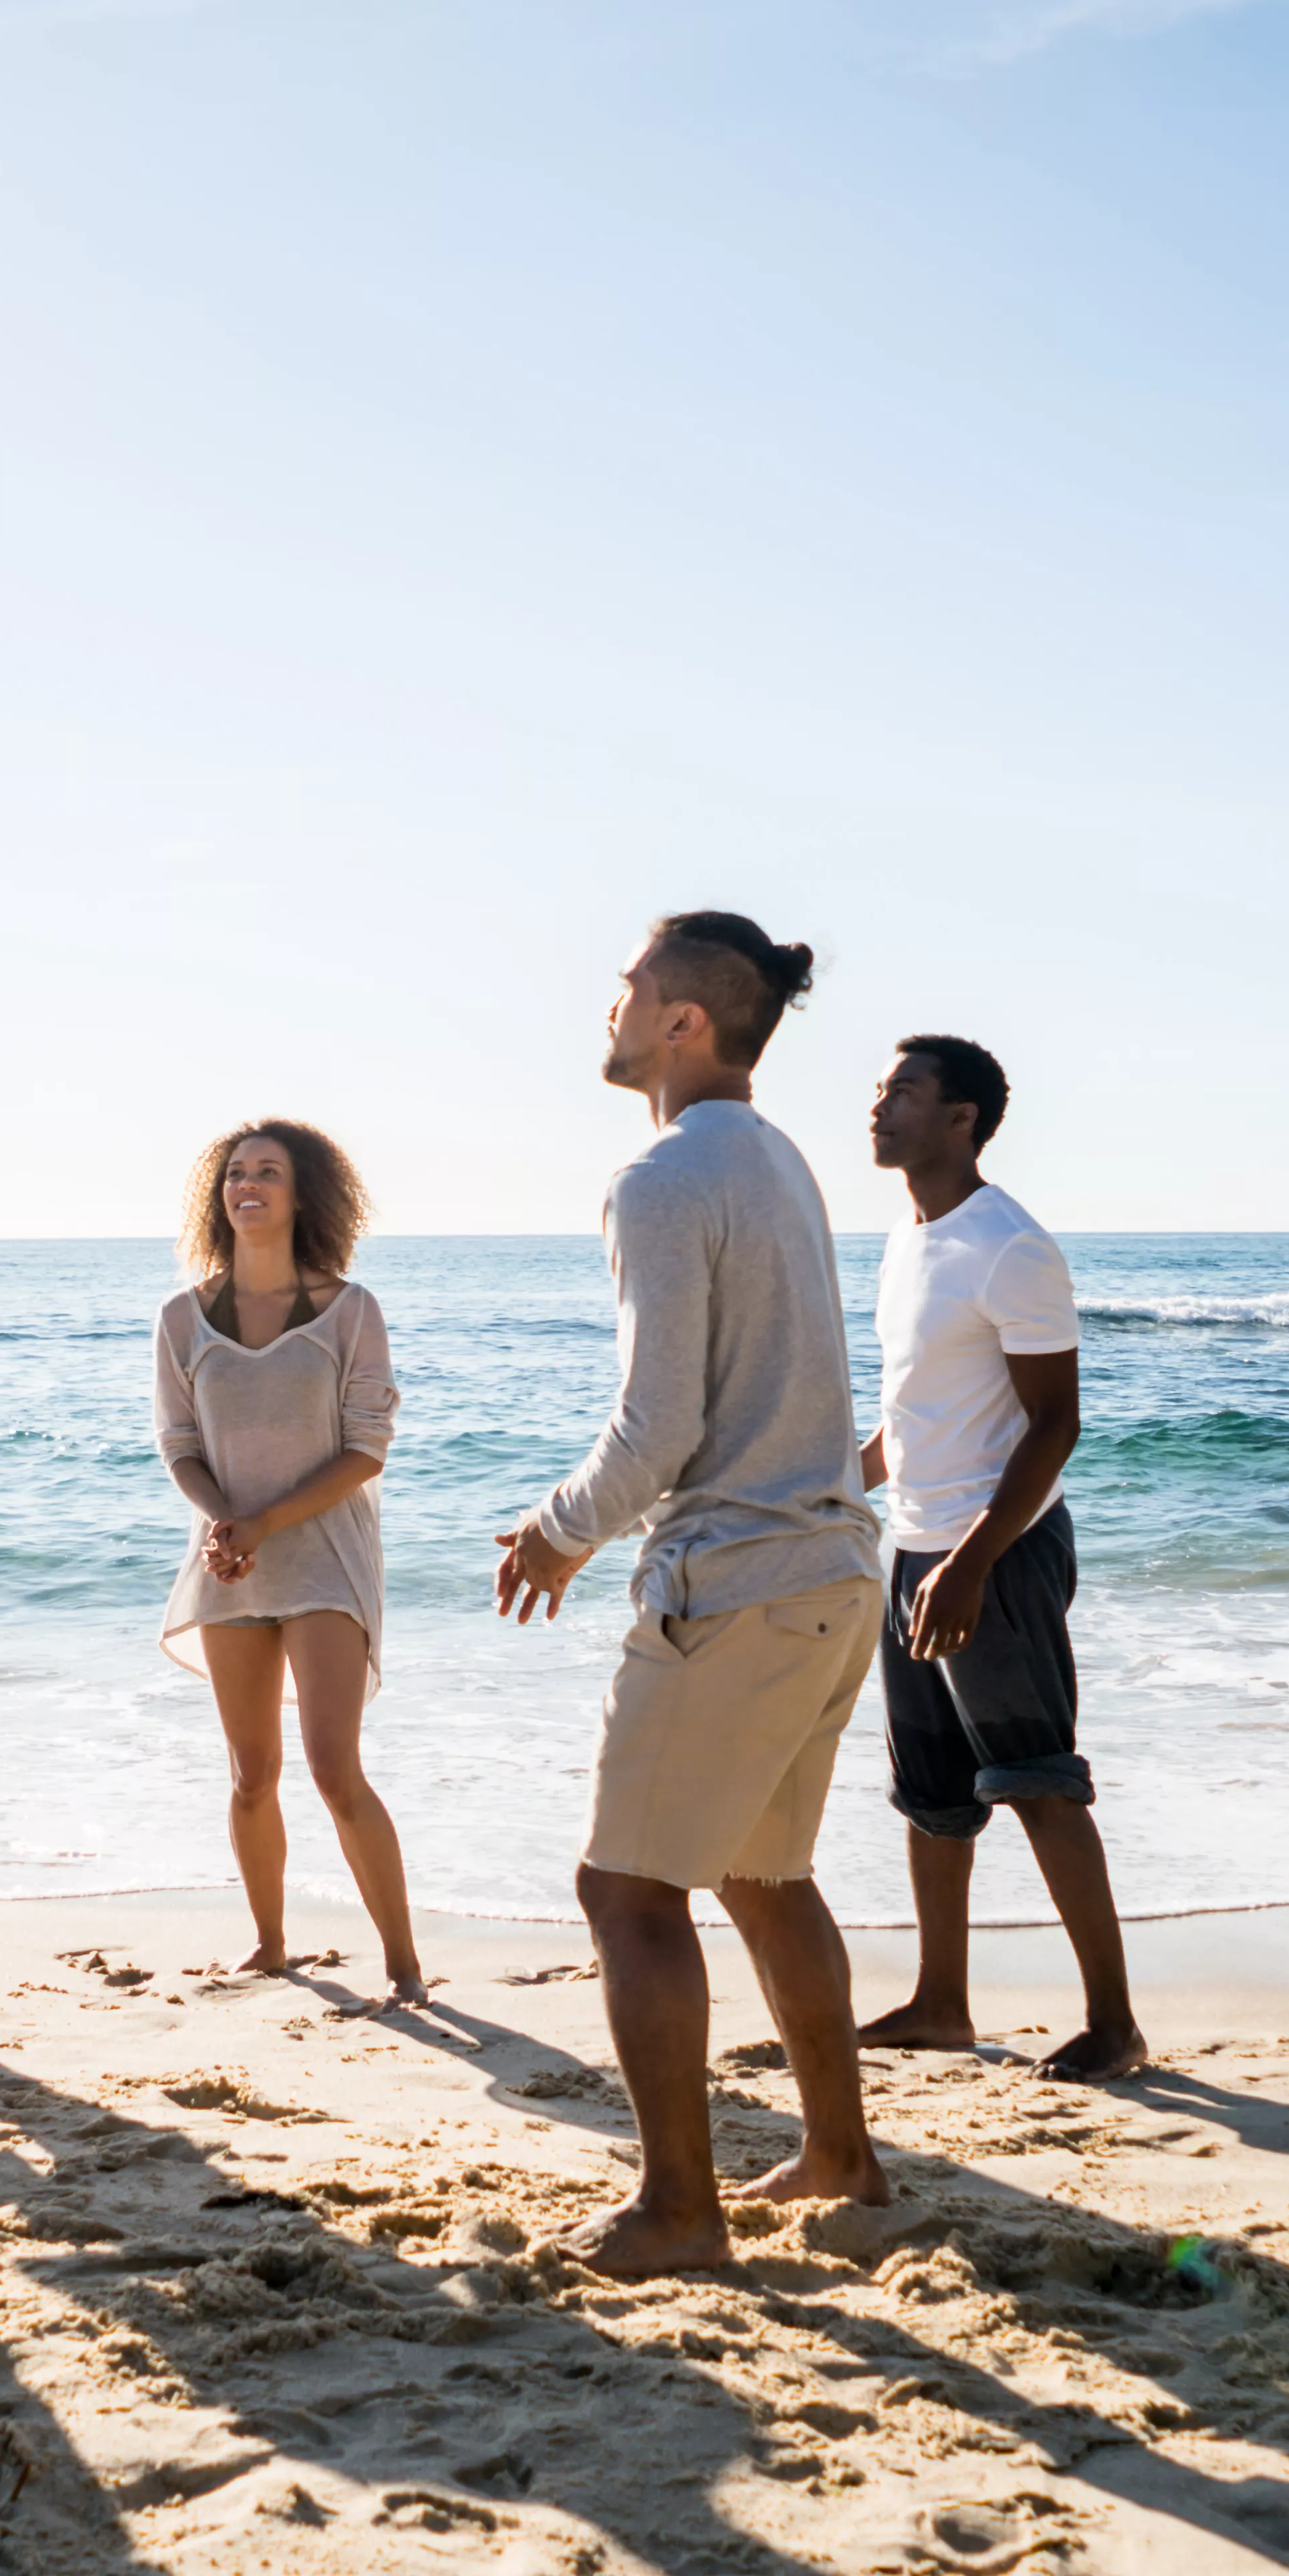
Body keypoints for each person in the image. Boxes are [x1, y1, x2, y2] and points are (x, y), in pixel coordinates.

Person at [492, 913, 887, 2275]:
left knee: (628, 1893)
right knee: (765, 1875)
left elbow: (656, 1422)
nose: (606, 1009)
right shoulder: (778, 1162)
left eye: (626, 989)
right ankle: (839, 2156)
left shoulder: (662, 1176)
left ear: (681, 1023)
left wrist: (555, 1532)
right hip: (833, 1569)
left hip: (738, 1581)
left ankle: (678, 2212)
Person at [852, 1033, 1149, 2082]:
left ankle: (1115, 2024)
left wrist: (974, 1561)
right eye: (881, 1089)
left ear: (962, 1119)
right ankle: (941, 2005)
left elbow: (1053, 1427)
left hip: (999, 1555)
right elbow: (914, 1409)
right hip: (915, 1550)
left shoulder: (1012, 1247)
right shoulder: (905, 1241)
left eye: (903, 1092)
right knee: (931, 1792)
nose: (878, 1106)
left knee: (1036, 1782)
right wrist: (846, 1488)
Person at [155, 1120, 427, 2002]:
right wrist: (227, 1524)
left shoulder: (351, 1311)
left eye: (269, 1172)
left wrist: (263, 1522)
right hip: (230, 1556)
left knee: (334, 1769)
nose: (249, 1186)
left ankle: (402, 1963)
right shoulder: (181, 1319)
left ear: (303, 1194)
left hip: (324, 1560)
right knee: (250, 1775)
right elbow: (180, 1443)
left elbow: (366, 1451)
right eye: (236, 1173)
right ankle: (270, 1945)